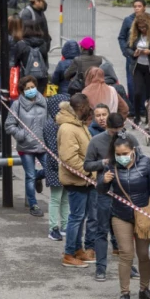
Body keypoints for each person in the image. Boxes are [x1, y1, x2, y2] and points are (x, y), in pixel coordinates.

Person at [97, 133, 150, 299]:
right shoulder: (111, 166)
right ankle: (125, 292)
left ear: (133, 150)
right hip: (120, 215)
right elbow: (101, 190)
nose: (121, 157)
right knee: (126, 253)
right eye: (118, 154)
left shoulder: (146, 163)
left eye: (124, 153)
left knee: (143, 254)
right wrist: (103, 182)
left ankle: (144, 289)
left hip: (143, 214)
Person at [84, 113, 140, 281]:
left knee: (124, 232)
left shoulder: (129, 139)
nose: (116, 133)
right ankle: (101, 268)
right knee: (102, 230)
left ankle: (129, 265)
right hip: (105, 193)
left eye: (119, 129)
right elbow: (87, 164)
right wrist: (103, 163)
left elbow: (141, 160)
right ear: (106, 127)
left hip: (125, 192)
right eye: (112, 131)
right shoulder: (96, 141)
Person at [57, 94, 97, 268]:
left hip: (84, 180)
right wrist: (88, 173)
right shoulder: (68, 128)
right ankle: (69, 253)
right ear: (80, 108)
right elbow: (69, 158)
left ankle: (77, 249)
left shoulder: (77, 124)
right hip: (78, 180)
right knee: (76, 217)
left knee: (80, 217)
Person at [6, 75, 50, 217]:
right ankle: (33, 205)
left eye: (32, 87)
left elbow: (50, 122)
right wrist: (22, 135)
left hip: (43, 145)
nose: (31, 90)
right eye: (27, 88)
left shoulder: (44, 102)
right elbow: (9, 125)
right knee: (29, 176)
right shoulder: (17, 105)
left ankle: (39, 176)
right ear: (22, 91)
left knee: (51, 170)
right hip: (26, 147)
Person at [125, 13, 150, 126]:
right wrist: (134, 53)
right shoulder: (134, 34)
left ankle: (148, 117)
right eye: (140, 27)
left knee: (148, 94)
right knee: (137, 92)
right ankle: (137, 117)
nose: (142, 29)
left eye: (144, 27)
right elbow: (127, 48)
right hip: (138, 66)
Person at [44, 94, 70, 239]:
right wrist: (61, 165)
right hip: (56, 167)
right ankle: (53, 227)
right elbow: (54, 149)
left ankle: (65, 225)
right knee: (56, 198)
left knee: (65, 198)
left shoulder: (61, 124)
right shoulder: (52, 125)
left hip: (64, 166)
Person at [12, 21, 50, 92]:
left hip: (25, 79)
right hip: (41, 78)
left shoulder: (20, 44)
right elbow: (45, 61)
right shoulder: (43, 44)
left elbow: (15, 62)